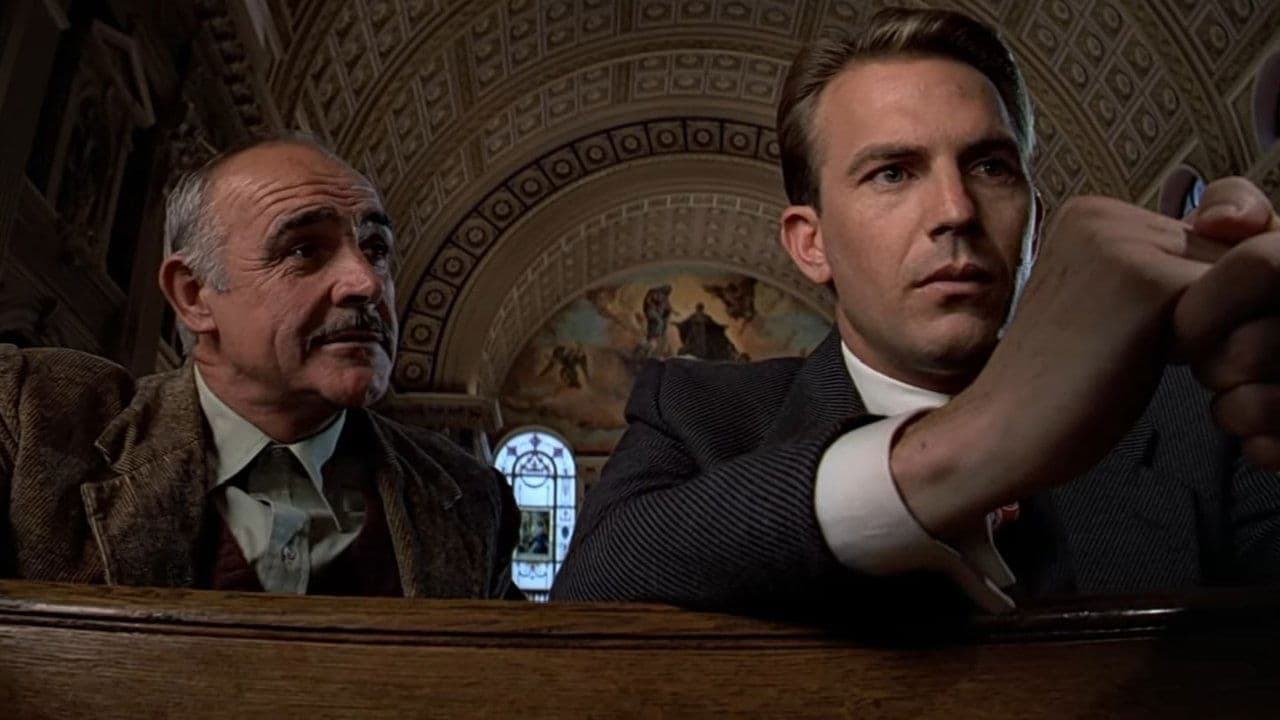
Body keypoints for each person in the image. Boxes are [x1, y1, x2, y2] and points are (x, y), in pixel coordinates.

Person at [551, 8, 1280, 616]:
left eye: (990, 167)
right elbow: (591, 597)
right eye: (893, 173)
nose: (956, 210)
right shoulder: (699, 412)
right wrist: (973, 444)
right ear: (811, 244)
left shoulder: (1198, 419)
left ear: (1036, 221)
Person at [0, 136, 521, 599]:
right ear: (194, 295)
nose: (365, 283)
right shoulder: (32, 421)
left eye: (376, 249)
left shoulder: (471, 499)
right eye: (304, 249)